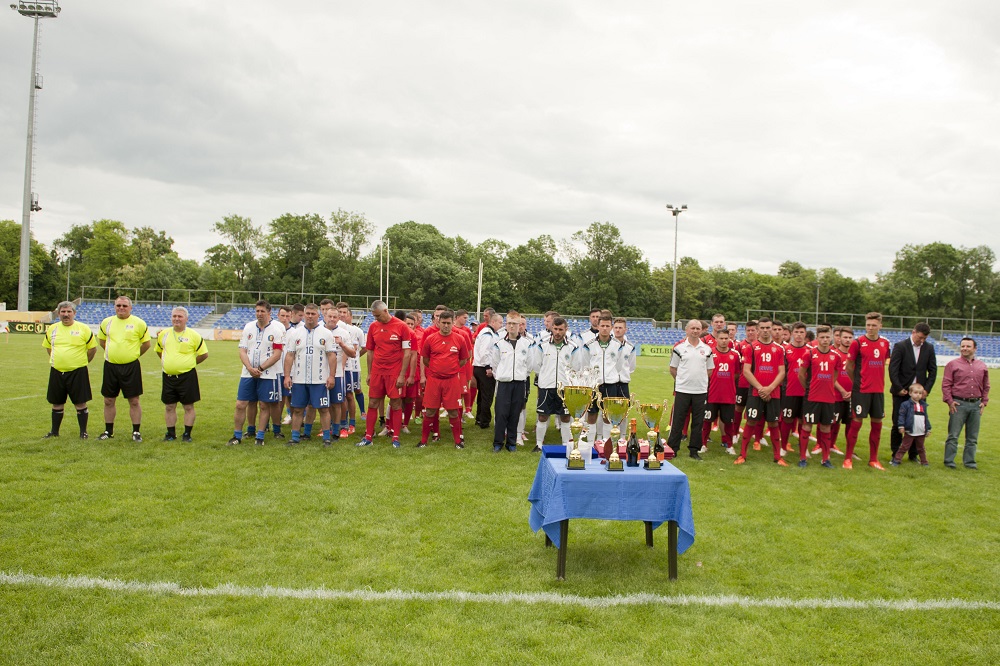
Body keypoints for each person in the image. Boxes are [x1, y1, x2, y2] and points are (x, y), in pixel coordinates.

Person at [230, 300, 285, 446]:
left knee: (264, 405)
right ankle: (237, 436)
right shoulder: (248, 327)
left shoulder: (276, 330)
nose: (259, 314)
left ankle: (260, 437)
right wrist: (249, 367)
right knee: (241, 404)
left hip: (267, 374)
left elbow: (277, 354)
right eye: (257, 311)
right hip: (248, 373)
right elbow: (242, 350)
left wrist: (260, 369)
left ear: (269, 312)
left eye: (262, 311)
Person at [358, 301, 412, 448]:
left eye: (378, 316)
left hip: (394, 373)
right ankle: (368, 436)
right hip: (377, 372)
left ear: (386, 311)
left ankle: (395, 437)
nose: (376, 319)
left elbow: (407, 353)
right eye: (374, 316)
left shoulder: (401, 326)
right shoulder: (373, 326)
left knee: (395, 403)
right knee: (373, 403)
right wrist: (370, 373)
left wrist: (402, 375)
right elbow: (370, 351)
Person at [97, 296, 151, 442]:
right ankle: (108, 431)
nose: (121, 308)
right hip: (110, 366)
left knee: (134, 400)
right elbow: (102, 341)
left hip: (131, 367)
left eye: (124, 306)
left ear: (130, 308)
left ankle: (136, 432)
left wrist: (133, 355)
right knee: (108, 400)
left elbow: (146, 344)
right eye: (118, 305)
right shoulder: (106, 322)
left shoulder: (139, 323)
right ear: (114, 307)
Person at [41, 301, 97, 439]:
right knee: (57, 402)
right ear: (58, 313)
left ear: (74, 313)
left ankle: (83, 432)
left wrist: (82, 362)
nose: (66, 315)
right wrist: (58, 360)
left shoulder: (83, 329)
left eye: (69, 312)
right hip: (57, 370)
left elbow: (92, 349)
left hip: (78, 371)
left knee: (80, 402)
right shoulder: (52, 329)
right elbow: (49, 347)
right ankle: (54, 432)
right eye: (63, 312)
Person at [283, 304, 337, 446]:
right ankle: (295, 437)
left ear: (318, 315)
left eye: (313, 313)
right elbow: (289, 355)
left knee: (323, 409)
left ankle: (326, 437)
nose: (310, 316)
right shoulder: (296, 333)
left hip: (319, 380)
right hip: (300, 379)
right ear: (304, 314)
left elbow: (332, 356)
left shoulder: (326, 333)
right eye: (308, 313)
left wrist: (332, 376)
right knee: (298, 408)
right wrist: (287, 376)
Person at [735, 316, 786, 466]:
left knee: (774, 423)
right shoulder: (751, 347)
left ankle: (777, 456)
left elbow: (782, 372)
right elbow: (746, 371)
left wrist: (770, 388)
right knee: (751, 421)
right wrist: (761, 388)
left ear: (771, 328)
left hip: (774, 393)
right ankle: (742, 454)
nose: (765, 330)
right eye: (762, 328)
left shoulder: (779, 349)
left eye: (767, 328)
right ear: (758, 330)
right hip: (756, 393)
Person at [844, 312, 891, 470]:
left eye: (874, 325)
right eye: (868, 325)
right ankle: (848, 458)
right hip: (861, 391)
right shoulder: (858, 343)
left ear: (880, 326)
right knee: (856, 424)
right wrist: (857, 382)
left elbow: (884, 363)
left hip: (878, 391)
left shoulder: (885, 343)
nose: (870, 328)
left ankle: (873, 459)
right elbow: (849, 367)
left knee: (877, 424)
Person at [797, 326, 849, 468]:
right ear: (817, 339)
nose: (825, 340)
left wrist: (828, 386)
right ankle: (802, 458)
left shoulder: (836, 356)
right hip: (812, 397)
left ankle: (825, 459)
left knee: (826, 427)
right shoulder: (809, 354)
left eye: (827, 337)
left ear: (831, 337)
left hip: (828, 397)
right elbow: (801, 375)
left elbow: (835, 375)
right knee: (807, 426)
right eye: (822, 337)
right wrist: (809, 387)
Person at [418, 309, 471, 449]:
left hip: (452, 380)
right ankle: (423, 441)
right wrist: (437, 369)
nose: (446, 326)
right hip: (434, 380)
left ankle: (458, 442)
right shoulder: (431, 339)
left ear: (453, 323)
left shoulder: (459, 339)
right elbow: (426, 359)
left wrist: (450, 369)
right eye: (443, 323)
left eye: (448, 323)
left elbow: (464, 359)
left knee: (454, 411)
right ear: (438, 322)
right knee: (430, 410)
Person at [155, 307, 208, 442]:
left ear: (186, 319)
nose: (176, 319)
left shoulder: (193, 335)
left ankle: (187, 434)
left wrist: (190, 363)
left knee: (188, 406)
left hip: (187, 376)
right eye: (174, 316)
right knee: (169, 406)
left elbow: (203, 354)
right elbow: (158, 350)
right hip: (168, 376)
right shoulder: (164, 334)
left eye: (180, 316)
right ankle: (171, 434)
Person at [528, 316, 579, 453]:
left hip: (565, 388)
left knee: (565, 416)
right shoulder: (542, 345)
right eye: (555, 329)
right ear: (551, 328)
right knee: (543, 416)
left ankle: (564, 445)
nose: (557, 332)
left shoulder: (573, 347)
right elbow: (537, 365)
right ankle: (539, 445)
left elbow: (575, 368)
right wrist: (545, 377)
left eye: (560, 329)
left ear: (566, 330)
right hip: (546, 385)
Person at [888, 323, 937, 462]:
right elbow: (893, 369)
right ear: (914, 332)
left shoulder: (929, 348)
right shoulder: (900, 346)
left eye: (924, 338)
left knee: (918, 424)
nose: (921, 341)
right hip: (901, 392)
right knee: (898, 422)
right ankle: (896, 453)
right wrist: (898, 388)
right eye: (920, 337)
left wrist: (926, 389)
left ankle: (913, 454)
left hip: (919, 394)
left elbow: (933, 371)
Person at [666, 319, 714, 460]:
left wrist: (699, 381)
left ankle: (694, 450)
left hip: (700, 391)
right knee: (678, 421)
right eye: (692, 328)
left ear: (701, 331)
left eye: (698, 328)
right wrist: (682, 380)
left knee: (698, 422)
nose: (695, 331)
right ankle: (673, 448)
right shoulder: (679, 348)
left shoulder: (707, 349)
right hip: (682, 390)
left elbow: (710, 369)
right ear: (687, 330)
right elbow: (673, 369)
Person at [941, 337, 989, 469]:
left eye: (968, 346)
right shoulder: (953, 364)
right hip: (958, 404)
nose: (965, 349)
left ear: (974, 348)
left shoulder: (982, 366)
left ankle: (970, 462)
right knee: (953, 435)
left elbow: (986, 385)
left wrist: (984, 401)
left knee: (972, 437)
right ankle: (949, 461)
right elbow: (946, 385)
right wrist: (950, 401)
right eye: (963, 346)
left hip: (976, 405)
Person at [579, 313, 628, 446]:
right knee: (592, 414)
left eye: (607, 325)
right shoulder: (589, 345)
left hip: (611, 384)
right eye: (602, 326)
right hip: (594, 385)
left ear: (611, 327)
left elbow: (619, 365)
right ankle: (590, 442)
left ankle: (606, 443)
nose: (605, 328)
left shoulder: (618, 345)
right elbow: (585, 365)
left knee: (607, 415)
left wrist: (611, 376)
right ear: (598, 326)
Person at [488, 313, 533, 452]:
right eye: (509, 323)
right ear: (506, 325)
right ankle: (498, 442)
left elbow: (529, 365)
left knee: (515, 413)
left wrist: (520, 376)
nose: (512, 326)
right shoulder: (499, 344)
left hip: (519, 383)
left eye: (515, 323)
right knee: (501, 413)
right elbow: (495, 364)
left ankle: (511, 442)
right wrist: (503, 375)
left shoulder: (527, 344)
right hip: (504, 383)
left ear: (520, 325)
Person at [702, 328, 739, 455]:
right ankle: (703, 444)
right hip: (712, 393)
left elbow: (736, 373)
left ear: (729, 339)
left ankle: (729, 445)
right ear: (716, 339)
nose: (724, 341)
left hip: (728, 395)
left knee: (729, 422)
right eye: (721, 338)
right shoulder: (710, 353)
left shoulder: (735, 355)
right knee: (707, 420)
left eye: (726, 338)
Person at [779, 322, 812, 455]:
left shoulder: (811, 351)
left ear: (805, 334)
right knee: (787, 419)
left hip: (806, 392)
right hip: (789, 390)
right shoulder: (785, 350)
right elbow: (781, 371)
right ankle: (783, 446)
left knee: (805, 420)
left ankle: (804, 448)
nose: (799, 335)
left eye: (801, 333)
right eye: (796, 332)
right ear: (792, 334)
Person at [472, 312, 502, 429]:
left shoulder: (488, 333)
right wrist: (488, 367)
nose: (501, 324)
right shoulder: (488, 333)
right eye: (499, 322)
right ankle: (484, 420)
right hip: (484, 368)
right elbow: (485, 351)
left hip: (480, 366)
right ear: (493, 322)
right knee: (487, 396)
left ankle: (480, 418)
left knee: (482, 395)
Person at [892, 383, 931, 467]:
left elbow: (926, 418)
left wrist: (928, 429)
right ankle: (897, 460)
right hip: (910, 430)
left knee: (921, 448)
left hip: (920, 430)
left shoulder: (923, 405)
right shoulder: (905, 405)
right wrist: (901, 426)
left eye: (920, 393)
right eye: (916, 393)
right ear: (910, 393)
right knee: (904, 446)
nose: (918, 395)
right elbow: (901, 416)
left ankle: (924, 462)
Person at [612, 318, 637, 398]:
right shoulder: (608, 345)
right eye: (616, 328)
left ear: (625, 330)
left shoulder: (630, 347)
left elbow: (631, 366)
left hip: (623, 383)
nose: (617, 330)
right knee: (608, 408)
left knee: (623, 409)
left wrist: (623, 373)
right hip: (610, 382)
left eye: (620, 328)